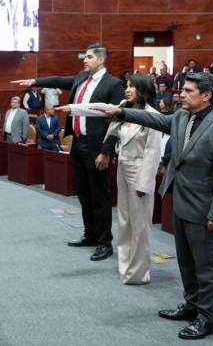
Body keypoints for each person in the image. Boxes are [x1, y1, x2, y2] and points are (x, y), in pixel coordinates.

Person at [93, 72, 213, 340]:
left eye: (188, 91)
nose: (180, 94)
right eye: (181, 90)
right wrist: (120, 112)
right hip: (181, 201)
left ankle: (206, 319)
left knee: (206, 266)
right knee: (185, 262)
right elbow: (156, 119)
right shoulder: (183, 116)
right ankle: (191, 305)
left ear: (206, 96)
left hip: (205, 209)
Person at [12, 43, 124, 262]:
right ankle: (90, 234)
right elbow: (58, 80)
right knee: (83, 192)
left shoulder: (114, 84)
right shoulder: (81, 79)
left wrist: (106, 151)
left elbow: (116, 122)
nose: (85, 59)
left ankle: (104, 242)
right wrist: (35, 82)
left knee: (99, 196)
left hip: (97, 147)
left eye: (89, 57)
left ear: (101, 60)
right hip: (78, 143)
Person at [62, 75, 163, 284]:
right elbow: (99, 108)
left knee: (140, 224)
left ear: (143, 89)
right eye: (127, 86)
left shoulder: (152, 116)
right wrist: (74, 109)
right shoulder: (124, 107)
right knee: (124, 220)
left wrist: (145, 184)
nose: (127, 90)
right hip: (123, 168)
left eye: (132, 86)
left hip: (140, 171)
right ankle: (125, 266)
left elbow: (153, 155)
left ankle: (139, 272)